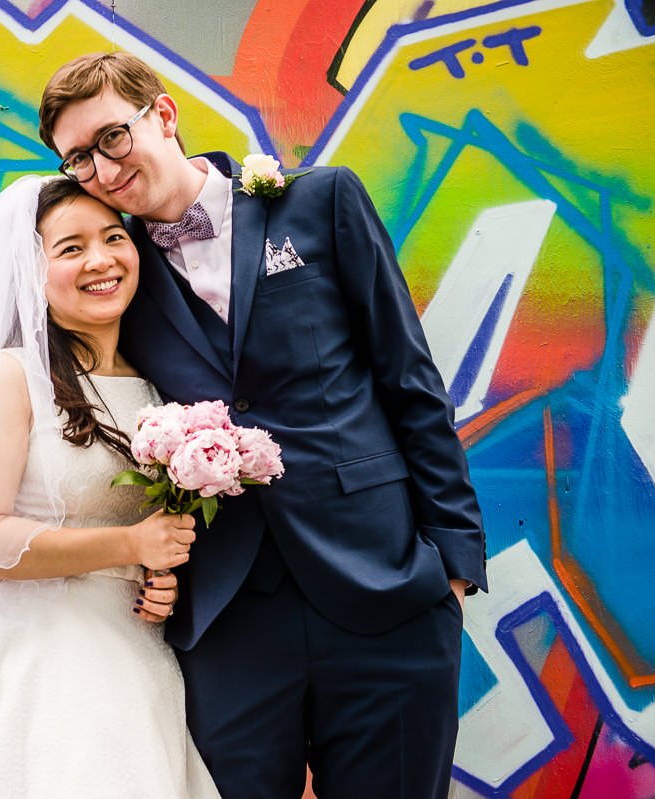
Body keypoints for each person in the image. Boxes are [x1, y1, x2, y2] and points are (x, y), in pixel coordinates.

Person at [38, 52, 488, 799]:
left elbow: (409, 380)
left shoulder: (321, 202)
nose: (103, 170)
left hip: (385, 588)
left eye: (111, 138)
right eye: (78, 159)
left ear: (165, 116)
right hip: (227, 616)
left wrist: (454, 564)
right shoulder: (118, 276)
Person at [0, 174, 222, 798]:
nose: (101, 260)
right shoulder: (9, 378)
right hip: (27, 673)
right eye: (70, 247)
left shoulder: (161, 391)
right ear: (31, 270)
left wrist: (159, 577)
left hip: (133, 665)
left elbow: (140, 529)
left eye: (113, 237)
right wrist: (132, 547)